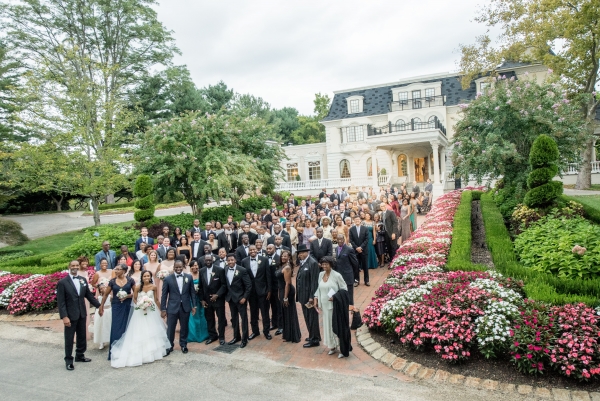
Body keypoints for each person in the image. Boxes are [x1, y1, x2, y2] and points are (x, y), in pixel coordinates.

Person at [109, 271, 171, 368]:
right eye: (145, 276)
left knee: (152, 330)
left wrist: (162, 310)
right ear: (142, 277)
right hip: (140, 311)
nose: (146, 277)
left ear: (150, 277)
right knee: (139, 330)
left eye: (148, 276)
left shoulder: (154, 287)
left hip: (151, 311)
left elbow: (156, 300)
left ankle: (153, 353)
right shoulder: (138, 287)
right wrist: (140, 304)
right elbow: (134, 299)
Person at [57, 260, 101, 371]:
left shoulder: (82, 280)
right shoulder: (63, 282)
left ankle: (80, 355)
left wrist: (99, 306)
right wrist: (64, 317)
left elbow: (88, 296)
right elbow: (61, 302)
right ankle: (68, 360)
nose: (75, 267)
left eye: (77, 265)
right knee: (69, 338)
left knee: (82, 336)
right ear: (69, 266)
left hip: (81, 313)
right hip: (70, 315)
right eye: (73, 265)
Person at [314, 256, 351, 358]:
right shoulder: (321, 274)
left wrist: (335, 297)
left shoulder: (337, 275)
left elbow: (344, 289)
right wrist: (316, 298)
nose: (324, 266)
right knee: (327, 326)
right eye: (323, 264)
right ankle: (332, 346)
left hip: (335, 306)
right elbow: (318, 288)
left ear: (331, 264)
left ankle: (342, 348)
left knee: (336, 326)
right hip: (325, 306)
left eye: (326, 264)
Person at [99, 264, 134, 360]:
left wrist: (126, 296)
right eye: (116, 269)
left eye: (118, 269)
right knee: (116, 327)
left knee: (127, 326)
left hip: (127, 305)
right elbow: (105, 295)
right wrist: (101, 306)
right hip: (116, 306)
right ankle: (114, 352)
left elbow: (135, 293)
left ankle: (127, 351)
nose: (116, 271)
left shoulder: (130, 280)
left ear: (124, 271)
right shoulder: (112, 281)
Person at [160, 260, 197, 354]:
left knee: (184, 327)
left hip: (185, 306)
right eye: (176, 267)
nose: (178, 269)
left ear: (183, 267)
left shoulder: (188, 277)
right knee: (170, 328)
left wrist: (194, 306)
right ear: (173, 268)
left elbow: (192, 292)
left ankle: (183, 345)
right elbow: (164, 295)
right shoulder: (168, 279)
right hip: (172, 307)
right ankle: (169, 346)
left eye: (180, 267)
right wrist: (163, 308)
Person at [241, 245, 272, 341]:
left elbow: (268, 275)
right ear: (249, 251)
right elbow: (243, 278)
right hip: (251, 292)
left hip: (263, 291)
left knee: (265, 313)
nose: (252, 251)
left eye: (254, 249)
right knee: (253, 313)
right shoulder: (244, 261)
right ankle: (255, 331)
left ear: (257, 250)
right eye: (251, 250)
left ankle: (266, 331)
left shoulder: (264, 259)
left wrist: (269, 290)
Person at [198, 254, 227, 345]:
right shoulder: (201, 271)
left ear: (213, 260)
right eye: (206, 260)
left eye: (209, 260)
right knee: (209, 319)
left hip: (218, 300)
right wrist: (202, 300)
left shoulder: (220, 270)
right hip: (207, 300)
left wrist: (217, 295)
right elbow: (201, 286)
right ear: (204, 261)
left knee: (221, 319)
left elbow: (224, 285)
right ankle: (213, 336)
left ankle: (221, 337)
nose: (208, 262)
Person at [224, 253, 252, 348]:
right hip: (231, 299)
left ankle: (245, 339)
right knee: (234, 319)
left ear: (235, 260)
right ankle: (236, 337)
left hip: (241, 299)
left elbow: (248, 285)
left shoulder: (242, 270)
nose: (230, 262)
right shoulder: (226, 269)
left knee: (244, 319)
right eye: (228, 260)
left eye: (232, 260)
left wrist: (244, 297)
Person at [296, 244, 321, 348]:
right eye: (298, 253)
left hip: (308, 297)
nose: (299, 255)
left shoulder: (312, 263)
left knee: (312, 318)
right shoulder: (304, 262)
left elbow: (314, 282)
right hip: (303, 296)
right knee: (307, 317)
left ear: (306, 252)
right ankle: (313, 335)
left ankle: (314, 339)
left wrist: (312, 297)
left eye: (301, 253)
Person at [276, 250, 301, 343]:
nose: (283, 257)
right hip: (282, 290)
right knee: (285, 313)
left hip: (287, 291)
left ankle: (293, 335)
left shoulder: (287, 268)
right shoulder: (282, 266)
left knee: (289, 312)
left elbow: (287, 283)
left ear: (289, 257)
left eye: (285, 256)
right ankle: (287, 334)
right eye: (282, 256)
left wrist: (285, 297)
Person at [187, 260, 209, 343]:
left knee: (202, 314)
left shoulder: (201, 274)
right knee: (193, 316)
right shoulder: (188, 276)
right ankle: (193, 335)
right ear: (190, 266)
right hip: (191, 298)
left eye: (196, 265)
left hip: (201, 298)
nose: (195, 267)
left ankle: (203, 334)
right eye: (193, 265)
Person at [333, 234, 358, 306]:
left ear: (344, 240)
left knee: (349, 295)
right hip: (339, 275)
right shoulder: (336, 248)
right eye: (338, 240)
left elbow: (355, 263)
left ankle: (350, 307)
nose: (340, 241)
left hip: (348, 275)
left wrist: (353, 274)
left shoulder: (349, 249)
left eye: (341, 239)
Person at [349, 216, 369, 286]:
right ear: (354, 221)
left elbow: (367, 239)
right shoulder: (351, 229)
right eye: (355, 219)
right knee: (356, 266)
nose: (357, 220)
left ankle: (366, 280)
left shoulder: (365, 229)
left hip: (363, 250)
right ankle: (356, 280)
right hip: (355, 251)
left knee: (365, 266)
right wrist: (356, 247)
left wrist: (361, 247)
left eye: (358, 219)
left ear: (360, 220)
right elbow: (351, 240)